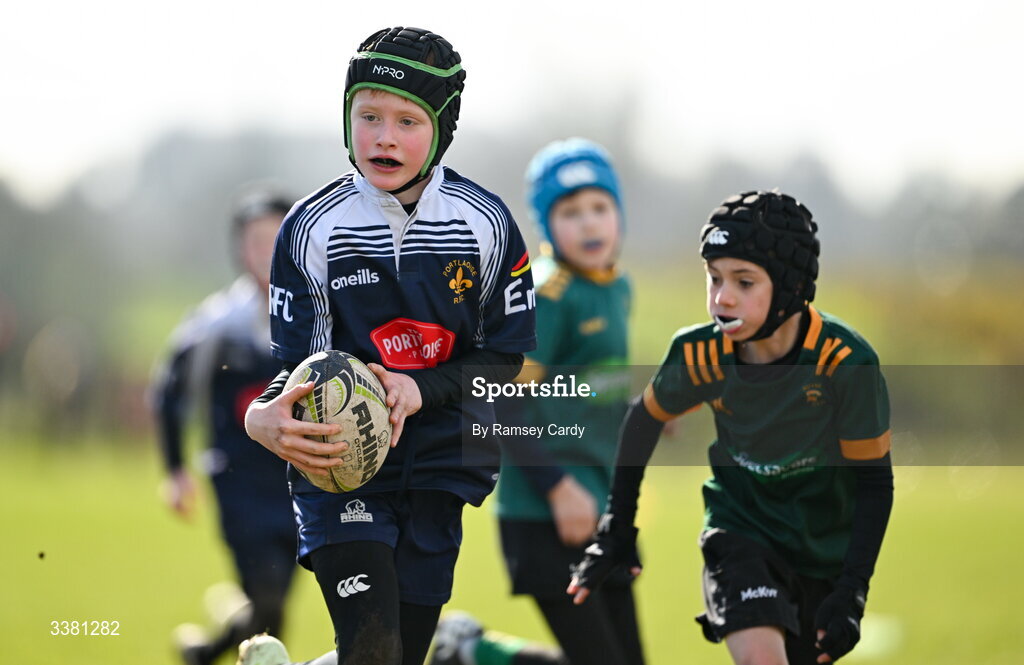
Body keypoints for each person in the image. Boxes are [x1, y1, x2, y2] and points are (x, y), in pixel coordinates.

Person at [241, 26, 536, 665]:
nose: (384, 136)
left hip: (442, 465)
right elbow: (298, 367)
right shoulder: (310, 229)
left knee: (392, 657)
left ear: (441, 131)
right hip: (341, 469)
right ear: (346, 119)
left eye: (408, 120)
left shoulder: (485, 224)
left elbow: (505, 357)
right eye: (368, 115)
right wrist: (260, 414)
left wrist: (418, 387)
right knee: (372, 648)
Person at [568, 190, 894, 665]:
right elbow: (643, 419)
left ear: (788, 287)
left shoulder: (844, 363)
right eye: (714, 278)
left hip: (821, 553)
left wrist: (852, 589)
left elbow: (873, 482)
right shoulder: (700, 354)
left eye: (744, 282)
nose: (722, 297)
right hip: (740, 533)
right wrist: (617, 527)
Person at [428, 139, 644, 665]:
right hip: (546, 508)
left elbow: (584, 384)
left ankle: (474, 652)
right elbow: (502, 402)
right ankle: (475, 653)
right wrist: (558, 489)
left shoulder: (616, 288)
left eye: (600, 207)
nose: (590, 224)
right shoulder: (548, 296)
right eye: (571, 212)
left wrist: (640, 409)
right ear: (547, 225)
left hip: (601, 505)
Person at [150, 186, 297, 665]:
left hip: (299, 481)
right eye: (254, 240)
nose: (263, 252)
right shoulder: (215, 322)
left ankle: (206, 652)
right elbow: (168, 391)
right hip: (238, 482)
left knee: (272, 607)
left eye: (275, 239)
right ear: (238, 248)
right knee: (268, 594)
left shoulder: (318, 317)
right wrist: (175, 469)